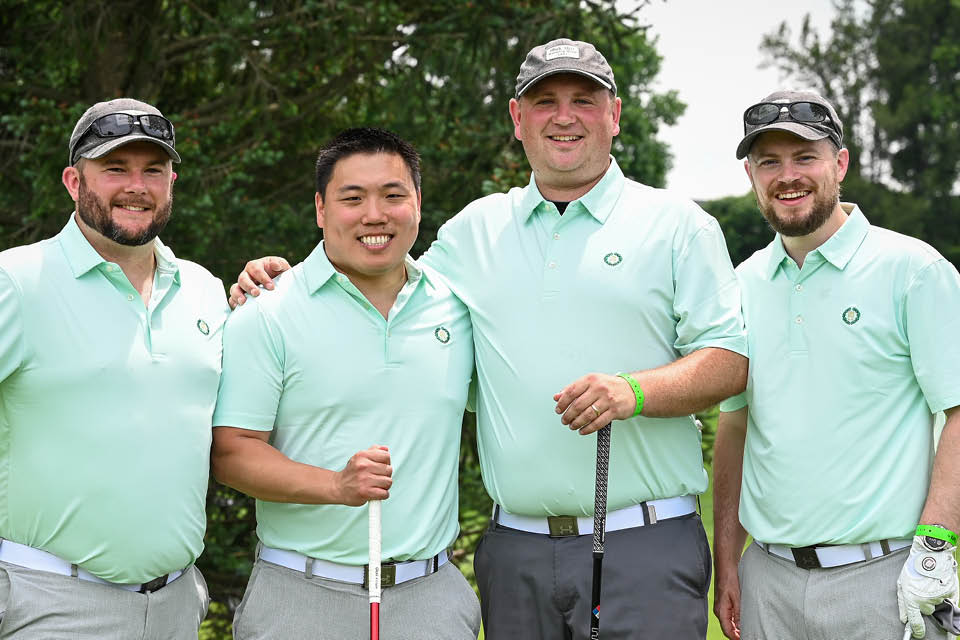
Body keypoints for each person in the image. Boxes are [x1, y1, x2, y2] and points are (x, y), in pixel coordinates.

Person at [232, 39, 748, 639]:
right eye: (544, 101)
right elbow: (381, 274)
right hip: (515, 550)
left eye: (584, 100)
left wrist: (634, 391)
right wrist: (279, 278)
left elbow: (728, 362)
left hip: (643, 542)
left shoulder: (678, 225)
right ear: (516, 119)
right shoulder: (473, 231)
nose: (563, 116)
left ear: (615, 115)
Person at [211, 128, 481, 640]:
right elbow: (231, 453)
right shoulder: (267, 311)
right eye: (352, 198)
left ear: (418, 204)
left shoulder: (458, 306)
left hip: (433, 600)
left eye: (393, 195)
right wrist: (335, 486)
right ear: (320, 208)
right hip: (300, 597)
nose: (374, 215)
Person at [712, 89, 960, 640]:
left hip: (884, 578)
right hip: (767, 583)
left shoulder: (914, 270)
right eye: (769, 161)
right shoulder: (741, 284)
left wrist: (937, 545)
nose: (787, 176)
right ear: (752, 175)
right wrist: (726, 561)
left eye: (805, 157)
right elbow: (735, 423)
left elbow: (958, 413)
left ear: (840, 164)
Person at [0, 99, 226, 638]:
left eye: (153, 170)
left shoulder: (204, 289)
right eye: (115, 169)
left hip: (176, 604)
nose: (137, 186)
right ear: (74, 181)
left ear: (172, 181)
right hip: (50, 604)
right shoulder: (16, 280)